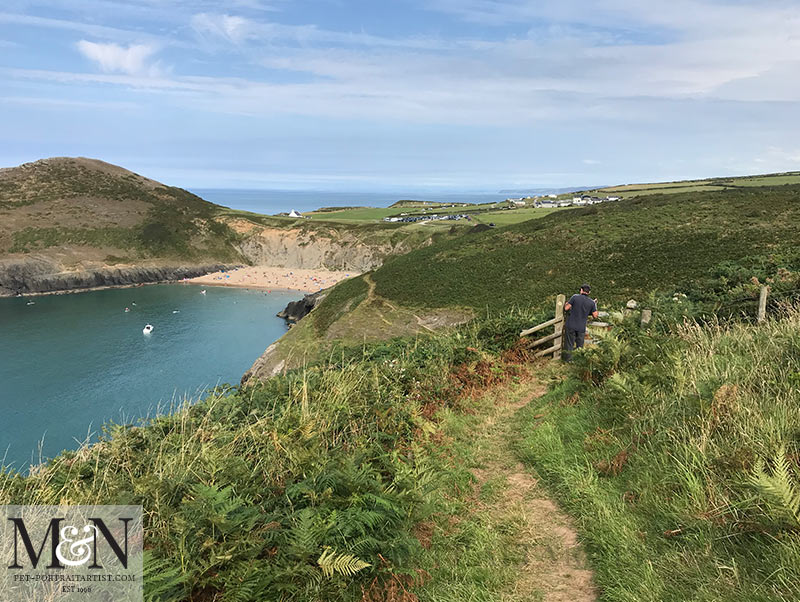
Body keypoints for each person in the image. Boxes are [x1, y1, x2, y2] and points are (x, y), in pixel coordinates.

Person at [562, 283, 598, 361]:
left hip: (571, 325)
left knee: (569, 344)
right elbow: (595, 315)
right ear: (589, 292)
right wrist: (595, 305)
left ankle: (568, 361)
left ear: (581, 290)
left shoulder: (575, 297)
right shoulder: (591, 303)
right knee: (580, 346)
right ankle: (578, 361)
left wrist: (566, 304)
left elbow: (566, 308)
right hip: (581, 327)